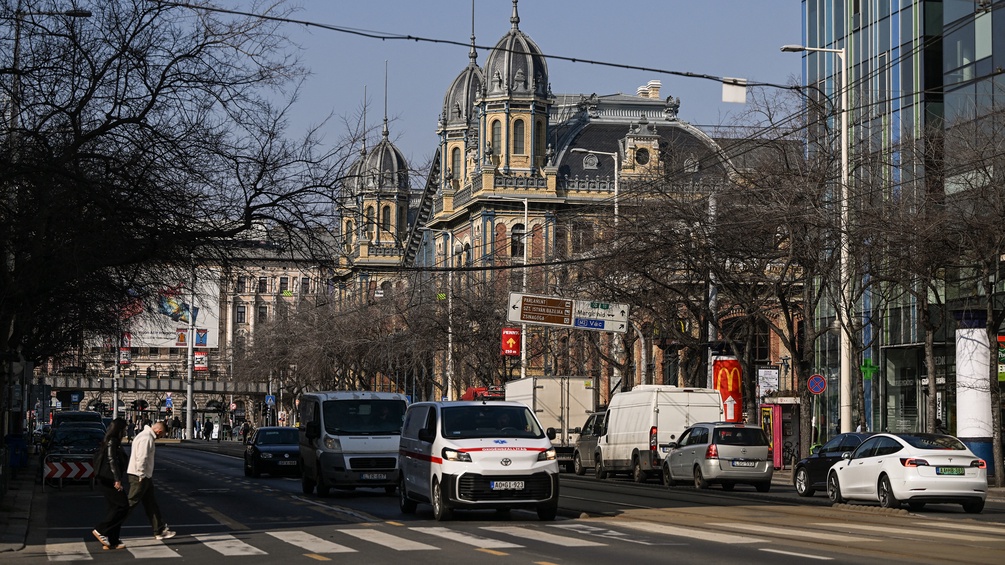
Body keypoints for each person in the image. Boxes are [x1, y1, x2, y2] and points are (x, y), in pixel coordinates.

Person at [127, 421, 176, 540]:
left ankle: (159, 530)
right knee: (130, 504)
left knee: (151, 504)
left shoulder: (143, 435)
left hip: (144, 476)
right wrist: (141, 474)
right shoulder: (147, 438)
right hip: (140, 476)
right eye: (162, 435)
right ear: (159, 431)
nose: (160, 437)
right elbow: (142, 457)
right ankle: (108, 528)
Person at [92, 418, 129, 550]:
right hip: (109, 479)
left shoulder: (110, 440)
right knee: (123, 505)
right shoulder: (112, 441)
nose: (125, 431)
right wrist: (117, 479)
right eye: (124, 429)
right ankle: (101, 530)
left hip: (107, 478)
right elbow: (111, 459)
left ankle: (113, 540)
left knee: (115, 507)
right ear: (119, 429)